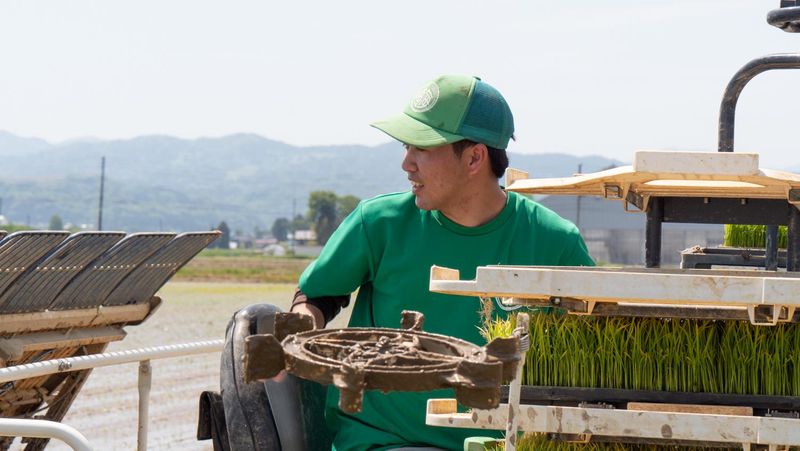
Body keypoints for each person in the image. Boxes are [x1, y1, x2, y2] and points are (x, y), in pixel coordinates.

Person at [290, 74, 594, 451]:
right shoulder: (379, 223)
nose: (406, 163)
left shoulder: (554, 242)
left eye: (422, 148)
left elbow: (591, 352)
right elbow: (318, 295)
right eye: (406, 147)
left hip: (506, 444)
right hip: (385, 443)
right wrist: (304, 320)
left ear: (473, 157)